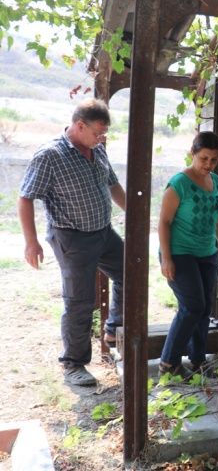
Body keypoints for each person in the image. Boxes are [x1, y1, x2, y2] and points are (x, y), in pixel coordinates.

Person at [18, 98, 126, 386]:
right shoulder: (50, 155)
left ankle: (115, 327)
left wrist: (135, 213)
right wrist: (31, 242)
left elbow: (113, 185)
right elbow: (25, 197)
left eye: (104, 134)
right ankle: (73, 364)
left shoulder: (97, 150)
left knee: (131, 270)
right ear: (79, 126)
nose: (101, 138)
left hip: (103, 232)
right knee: (80, 300)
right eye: (97, 133)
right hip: (72, 238)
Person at [158, 131, 218, 377]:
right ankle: (169, 362)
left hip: (206, 252)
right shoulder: (179, 183)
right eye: (203, 159)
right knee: (192, 306)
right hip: (179, 253)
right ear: (193, 154)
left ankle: (198, 360)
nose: (208, 164)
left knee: (205, 307)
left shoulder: (216, 182)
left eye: (213, 159)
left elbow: (216, 218)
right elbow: (164, 222)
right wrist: (166, 257)